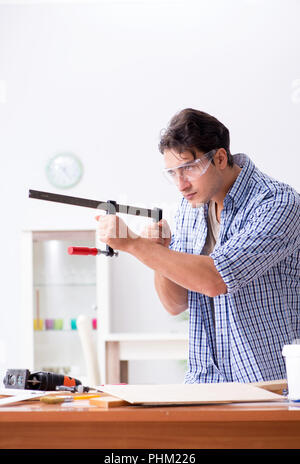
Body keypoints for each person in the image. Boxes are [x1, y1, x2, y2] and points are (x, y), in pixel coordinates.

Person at [96, 108, 300, 384]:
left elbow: (216, 279)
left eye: (189, 168)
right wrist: (161, 252)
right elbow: (175, 303)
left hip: (271, 384)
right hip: (206, 381)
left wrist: (134, 245)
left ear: (219, 157)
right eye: (172, 173)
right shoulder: (191, 206)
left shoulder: (278, 204)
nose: (181, 185)